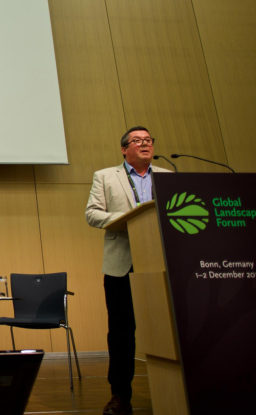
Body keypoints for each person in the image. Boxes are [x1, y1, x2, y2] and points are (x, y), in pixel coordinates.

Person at [85, 126, 169, 415]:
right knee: (122, 333)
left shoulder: (168, 176)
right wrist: (130, 218)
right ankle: (120, 395)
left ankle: (177, 390)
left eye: (148, 140)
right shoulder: (106, 176)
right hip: (122, 264)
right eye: (137, 141)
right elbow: (93, 214)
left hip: (164, 263)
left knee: (171, 327)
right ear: (124, 149)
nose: (144, 144)